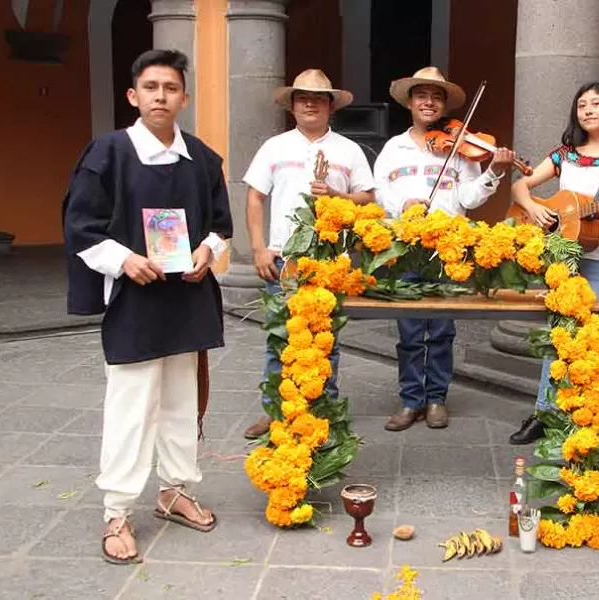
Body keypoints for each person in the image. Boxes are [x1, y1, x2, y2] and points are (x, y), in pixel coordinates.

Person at [62, 49, 232, 565]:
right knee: (132, 408)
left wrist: (208, 250)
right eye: (151, 87)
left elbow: (220, 226)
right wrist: (125, 260)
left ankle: (175, 489)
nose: (161, 96)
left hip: (186, 297)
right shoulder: (109, 153)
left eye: (171, 88)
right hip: (135, 300)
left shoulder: (201, 158)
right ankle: (117, 510)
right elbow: (81, 226)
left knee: (181, 401)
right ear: (134, 96)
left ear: (184, 97)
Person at [372, 66, 516, 431]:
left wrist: (493, 173)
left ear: (444, 105)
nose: (429, 102)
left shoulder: (461, 149)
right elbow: (379, 192)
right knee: (407, 330)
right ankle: (409, 400)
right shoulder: (393, 148)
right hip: (404, 247)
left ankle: (436, 398)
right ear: (410, 102)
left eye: (437, 97)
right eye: (422, 95)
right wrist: (401, 206)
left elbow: (469, 196)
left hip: (448, 249)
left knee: (441, 330)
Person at [506, 81, 599, 445]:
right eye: (581, 104)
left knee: (588, 340)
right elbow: (521, 186)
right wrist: (535, 207)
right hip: (562, 256)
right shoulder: (565, 153)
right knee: (558, 337)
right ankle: (544, 412)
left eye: (596, 103)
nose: (587, 110)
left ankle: (581, 416)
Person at [242, 69, 376, 439]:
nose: (310, 103)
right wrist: (257, 248)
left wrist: (338, 196)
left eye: (318, 98)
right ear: (292, 106)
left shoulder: (348, 150)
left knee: (326, 340)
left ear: (331, 105)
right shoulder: (275, 146)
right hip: (283, 257)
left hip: (330, 261)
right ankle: (276, 411)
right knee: (280, 339)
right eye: (303, 98)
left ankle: (324, 409)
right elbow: (254, 196)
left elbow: (367, 197)